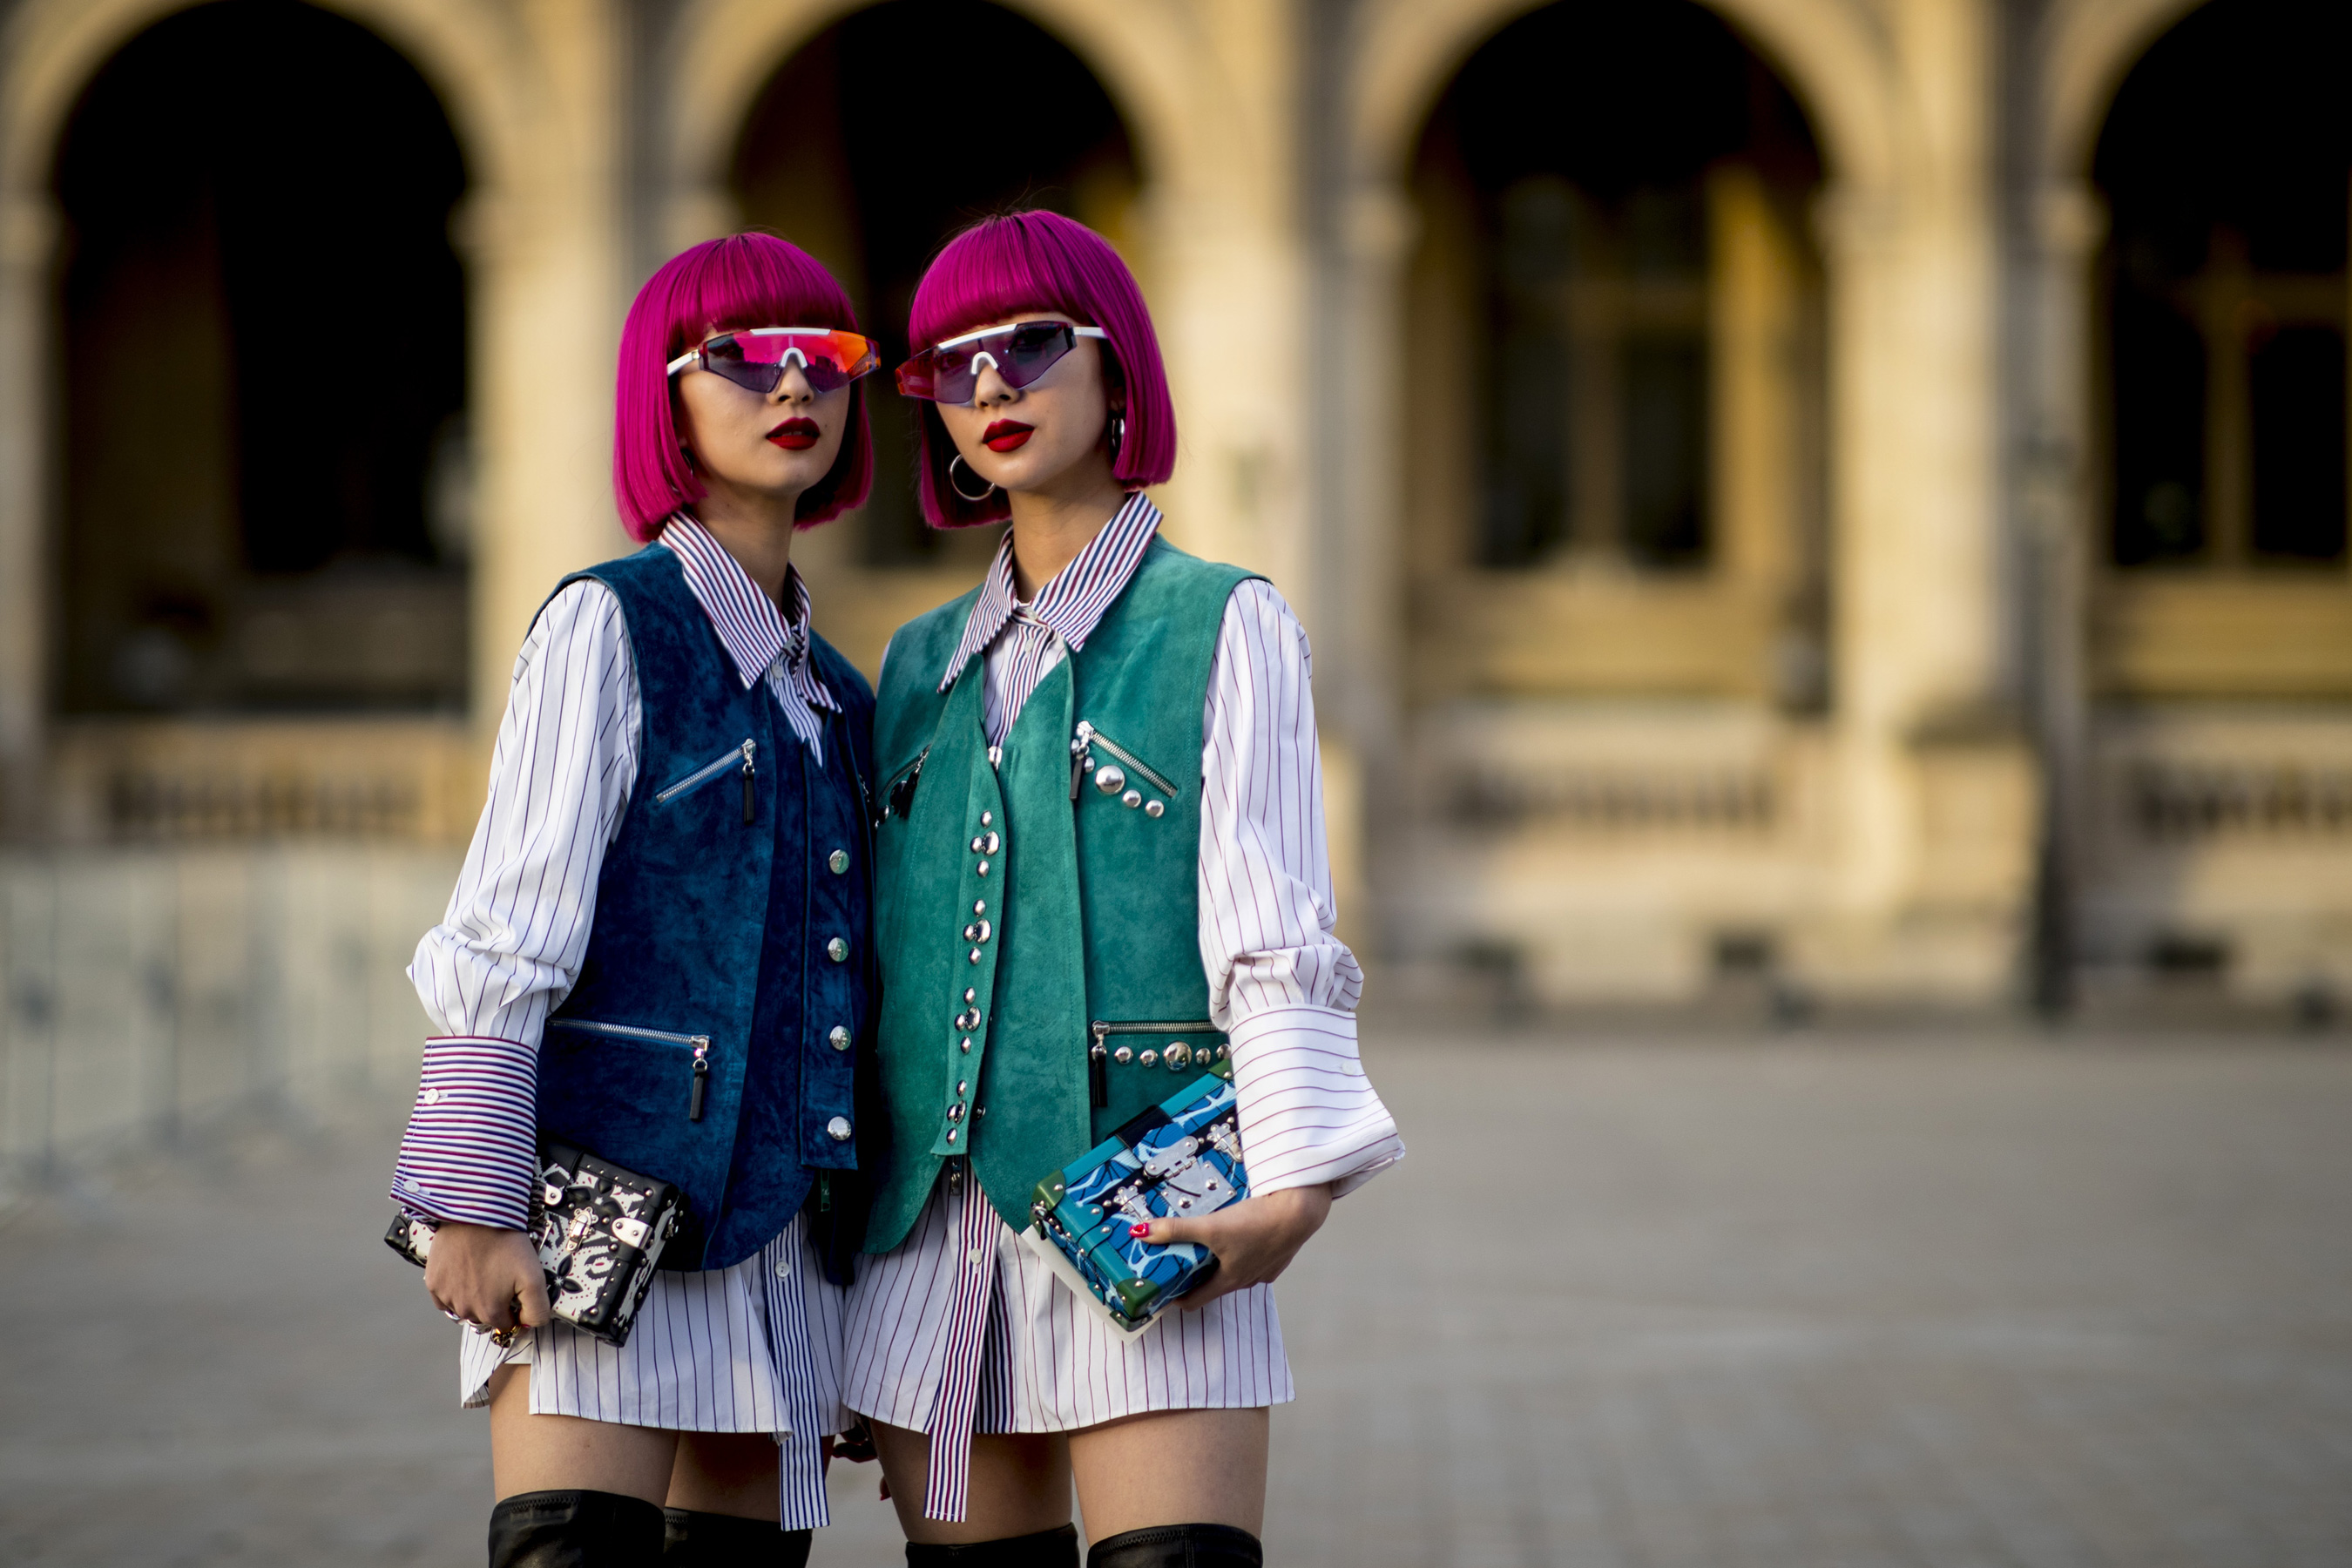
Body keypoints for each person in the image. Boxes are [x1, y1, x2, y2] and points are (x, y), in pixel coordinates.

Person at [844, 210, 1406, 1567]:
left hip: (1154, 1203)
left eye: (1031, 345)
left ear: (1118, 374)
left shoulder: (1225, 619)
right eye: (949, 364)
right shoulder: (914, 663)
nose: (990, 385)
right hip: (934, 1242)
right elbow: (875, 964)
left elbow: (1273, 928)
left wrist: (1295, 1186)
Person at [388, 233, 881, 1567]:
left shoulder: (840, 690)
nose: (795, 387)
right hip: (602, 1206)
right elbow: (506, 924)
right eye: (740, 358)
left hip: (785, 1234)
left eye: (826, 359)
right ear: (662, 394)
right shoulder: (608, 623)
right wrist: (473, 1199)